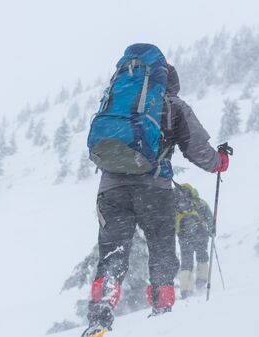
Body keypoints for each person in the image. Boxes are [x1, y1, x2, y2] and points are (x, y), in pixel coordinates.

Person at [83, 44, 229, 337]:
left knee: (113, 253)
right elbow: (199, 151)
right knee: (162, 251)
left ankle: (100, 317)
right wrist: (220, 162)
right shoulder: (173, 105)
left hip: (111, 189)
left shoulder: (116, 98)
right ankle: (162, 313)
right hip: (154, 188)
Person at [174, 183, 213, 299]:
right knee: (202, 256)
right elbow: (209, 216)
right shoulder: (199, 203)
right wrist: (212, 230)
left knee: (186, 262)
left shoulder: (175, 206)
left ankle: (186, 289)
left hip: (184, 237)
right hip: (201, 234)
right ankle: (202, 280)